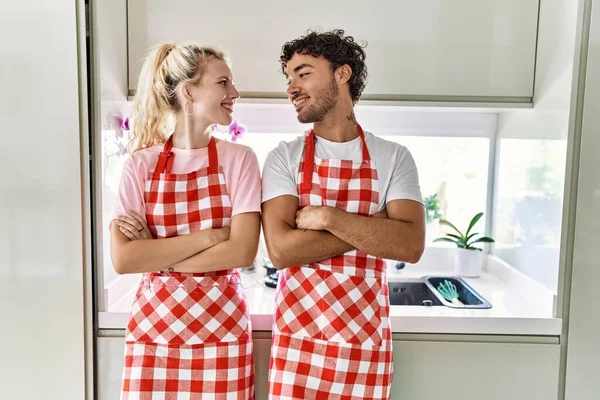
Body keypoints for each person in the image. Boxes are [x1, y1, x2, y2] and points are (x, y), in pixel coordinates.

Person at [261, 30, 426, 399]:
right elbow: (282, 251)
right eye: (289, 78)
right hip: (298, 348)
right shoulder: (283, 158)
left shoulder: (394, 157)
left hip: (363, 348)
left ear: (341, 74)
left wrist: (328, 217)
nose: (292, 88)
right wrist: (375, 227)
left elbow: (411, 245)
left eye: (303, 73)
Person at [110, 43, 260, 399]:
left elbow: (242, 252)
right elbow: (124, 260)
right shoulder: (139, 165)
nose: (234, 93)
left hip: (222, 334)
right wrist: (210, 238)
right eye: (223, 82)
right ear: (189, 91)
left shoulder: (240, 159)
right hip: (155, 335)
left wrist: (157, 256)